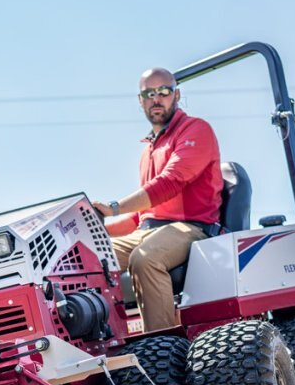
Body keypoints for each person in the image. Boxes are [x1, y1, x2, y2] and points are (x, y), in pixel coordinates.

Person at [93, 67, 222, 333]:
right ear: (140, 101)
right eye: (148, 93)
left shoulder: (196, 130)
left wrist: (113, 208)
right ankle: (107, 343)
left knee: (145, 258)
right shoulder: (148, 149)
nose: (156, 98)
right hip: (148, 231)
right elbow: (141, 217)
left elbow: (170, 182)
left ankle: (163, 345)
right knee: (89, 259)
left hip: (191, 229)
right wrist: (93, 232)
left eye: (163, 91)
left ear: (177, 94)